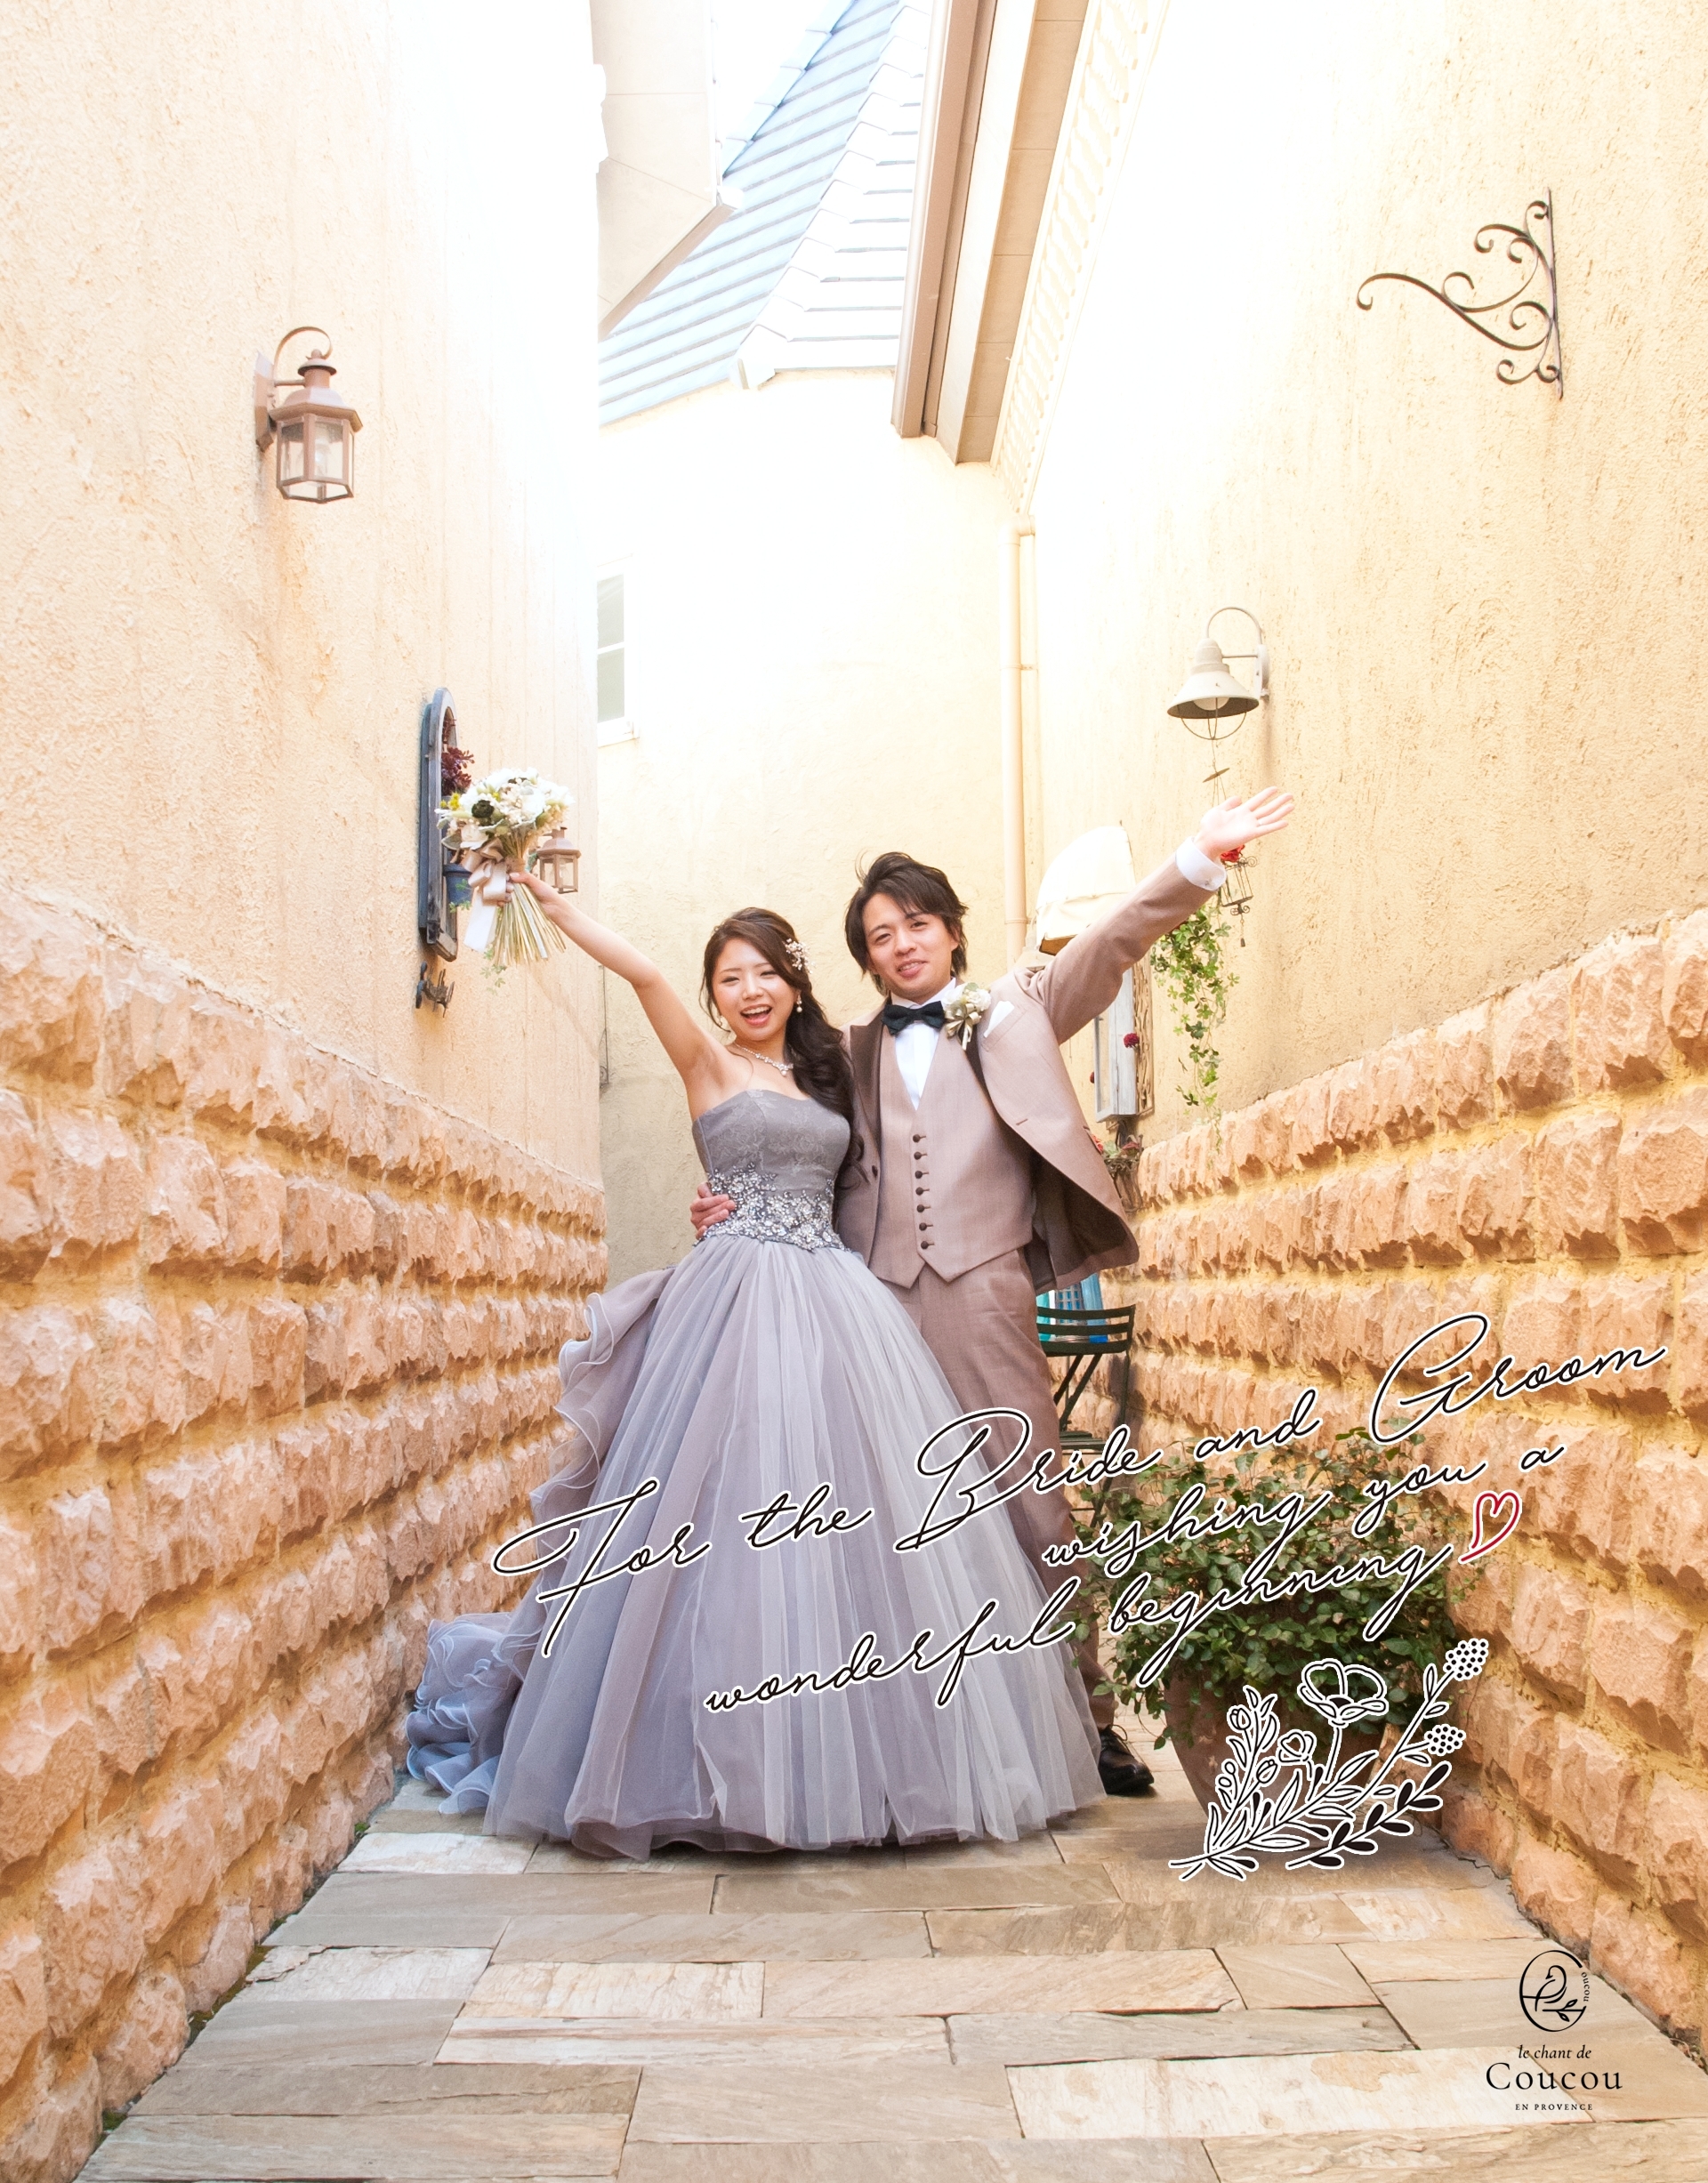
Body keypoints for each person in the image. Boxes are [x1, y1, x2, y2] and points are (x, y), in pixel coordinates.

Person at [405, 883, 1102, 1857]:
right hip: (734, 1299)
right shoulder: (707, 1061)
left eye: (766, 973)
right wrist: (554, 906)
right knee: (722, 1509)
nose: (750, 991)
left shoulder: (834, 1071)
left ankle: (866, 1754)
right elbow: (640, 974)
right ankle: (708, 1755)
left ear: (795, 982)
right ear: (714, 995)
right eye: (730, 979)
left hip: (839, 1299)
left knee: (856, 1521)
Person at [693, 789, 1294, 1795]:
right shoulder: (847, 1051)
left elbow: (1111, 941)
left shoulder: (1018, 1006)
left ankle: (1086, 1719)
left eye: (915, 924)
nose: (901, 945)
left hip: (984, 1293)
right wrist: (726, 1200)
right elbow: (774, 1125)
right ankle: (918, 1727)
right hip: (873, 1305)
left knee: (1031, 1505)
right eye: (880, 937)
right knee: (891, 1513)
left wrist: (1198, 857)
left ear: (952, 930)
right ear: (866, 960)